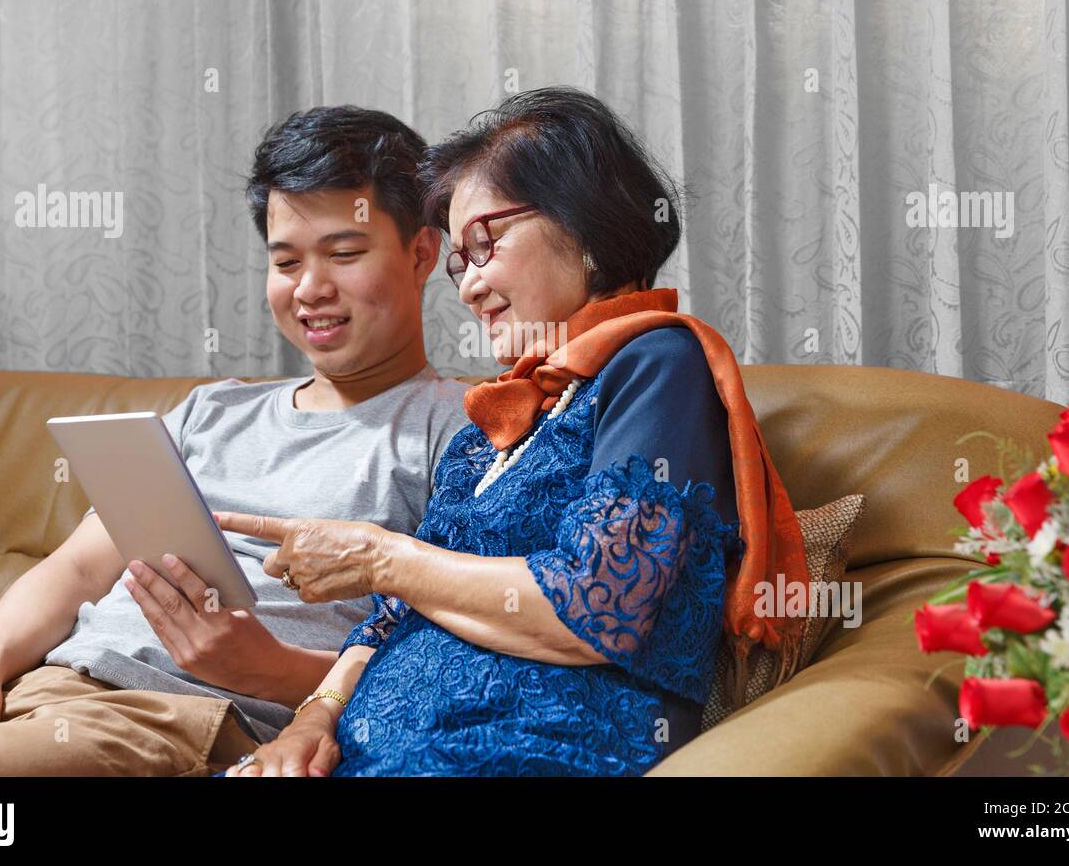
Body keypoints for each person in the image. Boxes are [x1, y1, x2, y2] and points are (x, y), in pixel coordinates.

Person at [216, 86, 808, 777]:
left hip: (533, 753)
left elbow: (599, 604)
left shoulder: (656, 365)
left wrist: (384, 557)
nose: (467, 287)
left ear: (585, 225)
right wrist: (311, 721)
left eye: (486, 244)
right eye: (460, 262)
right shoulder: (494, 426)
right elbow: (388, 619)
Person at [0, 106, 471, 776]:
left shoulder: (456, 431)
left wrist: (271, 672)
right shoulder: (212, 410)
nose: (310, 289)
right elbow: (76, 570)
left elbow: (452, 665)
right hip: (28, 679)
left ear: (421, 253)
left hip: (153, 718)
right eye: (286, 260)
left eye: (344, 253)